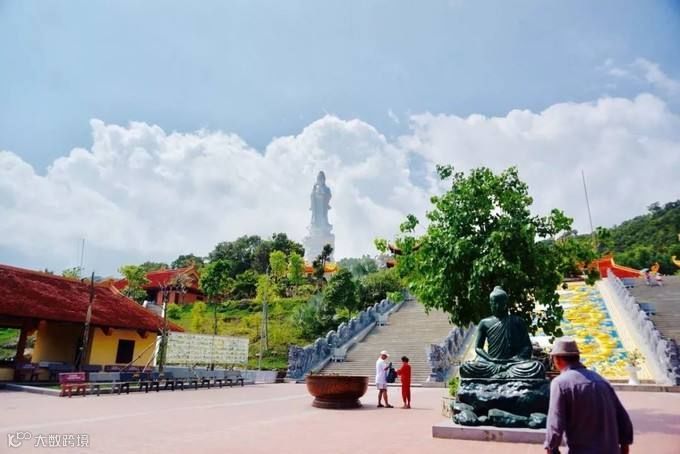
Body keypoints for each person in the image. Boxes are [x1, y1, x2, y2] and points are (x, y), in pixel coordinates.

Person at [545, 338, 633, 454]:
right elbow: (623, 418)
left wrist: (551, 447)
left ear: (558, 359)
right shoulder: (601, 380)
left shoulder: (560, 383)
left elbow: (555, 423)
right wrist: (624, 446)